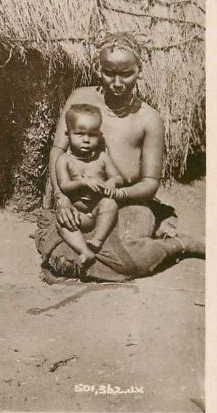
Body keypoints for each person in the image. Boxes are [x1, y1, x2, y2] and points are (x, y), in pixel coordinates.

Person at [36, 32, 204, 281]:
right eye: (108, 73)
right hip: (78, 200)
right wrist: (61, 199)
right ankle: (124, 244)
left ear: (139, 70)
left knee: (132, 260)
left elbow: (149, 182)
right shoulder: (80, 99)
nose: (117, 82)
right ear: (97, 68)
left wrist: (119, 193)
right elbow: (58, 150)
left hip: (128, 202)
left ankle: (181, 244)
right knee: (65, 259)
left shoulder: (149, 119)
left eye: (126, 73)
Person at [55, 104, 123, 268]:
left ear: (99, 135)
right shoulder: (64, 160)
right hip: (78, 214)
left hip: (98, 211)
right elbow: (64, 186)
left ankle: (97, 240)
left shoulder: (102, 157)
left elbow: (118, 177)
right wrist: (84, 182)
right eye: (79, 134)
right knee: (61, 222)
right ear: (68, 134)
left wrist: (111, 182)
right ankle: (84, 250)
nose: (86, 140)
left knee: (110, 203)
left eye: (92, 135)